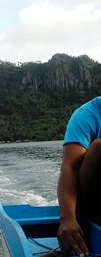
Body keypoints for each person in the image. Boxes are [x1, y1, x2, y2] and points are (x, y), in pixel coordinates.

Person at [57, 96, 101, 256]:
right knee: (98, 148)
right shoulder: (87, 114)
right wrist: (67, 219)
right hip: (91, 200)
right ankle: (81, 231)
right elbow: (70, 167)